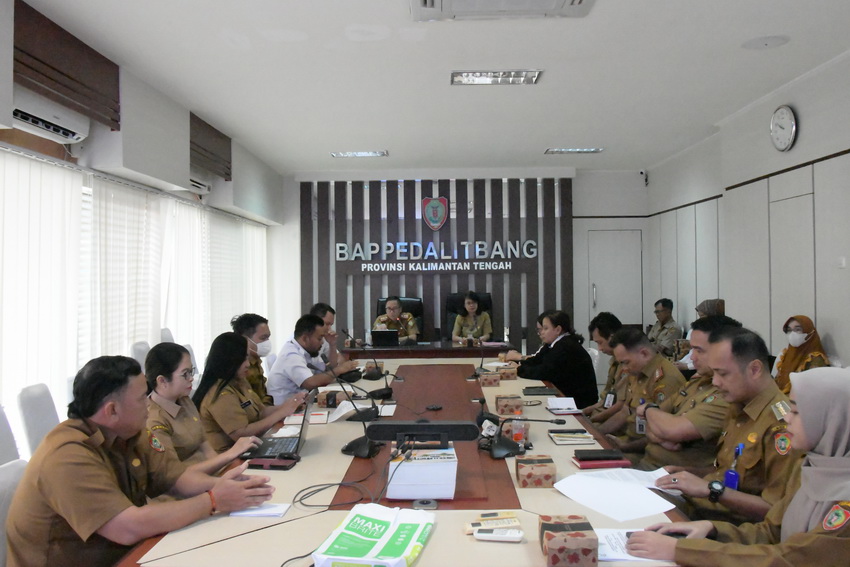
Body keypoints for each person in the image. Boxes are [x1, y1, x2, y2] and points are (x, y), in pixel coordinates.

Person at [5, 355, 274, 567]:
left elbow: (175, 477)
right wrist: (213, 500)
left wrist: (218, 485)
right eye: (140, 399)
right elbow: (127, 527)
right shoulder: (66, 456)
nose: (148, 404)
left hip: (126, 554)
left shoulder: (127, 433)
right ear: (112, 410)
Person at [626, 367, 850, 565]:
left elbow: (789, 559)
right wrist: (712, 530)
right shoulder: (812, 467)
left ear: (834, 420)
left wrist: (681, 550)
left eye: (797, 412)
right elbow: (771, 531)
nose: (787, 419)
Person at [653, 327, 802, 524]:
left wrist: (712, 490)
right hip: (700, 510)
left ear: (754, 369)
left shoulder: (782, 424)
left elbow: (776, 512)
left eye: (722, 374)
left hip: (730, 530)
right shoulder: (739, 406)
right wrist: (688, 473)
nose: (715, 382)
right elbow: (728, 470)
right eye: (714, 373)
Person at [633, 315, 738, 471]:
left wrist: (649, 411)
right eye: (691, 349)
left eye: (699, 351)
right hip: (649, 466)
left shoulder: (725, 395)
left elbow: (672, 429)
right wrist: (663, 436)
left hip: (674, 479)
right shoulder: (696, 382)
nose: (692, 358)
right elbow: (650, 423)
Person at [145, 342, 259, 472]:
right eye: (185, 374)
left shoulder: (185, 401)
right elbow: (175, 476)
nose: (191, 378)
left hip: (210, 475)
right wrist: (230, 454)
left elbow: (205, 446)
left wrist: (228, 471)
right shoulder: (154, 421)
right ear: (162, 381)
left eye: (191, 371)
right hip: (187, 488)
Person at [193, 332, 305, 453]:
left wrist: (290, 405)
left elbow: (261, 411)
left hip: (251, 446)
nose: (247, 364)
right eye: (242, 359)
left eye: (247, 357)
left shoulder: (239, 380)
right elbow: (241, 434)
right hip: (229, 458)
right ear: (228, 360)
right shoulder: (220, 393)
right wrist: (281, 413)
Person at [605, 328, 686, 457]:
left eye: (626, 362)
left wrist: (626, 447)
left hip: (645, 450)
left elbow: (663, 432)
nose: (624, 368)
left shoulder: (666, 379)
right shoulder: (637, 371)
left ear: (644, 353)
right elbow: (625, 411)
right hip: (628, 440)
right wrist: (596, 433)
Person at [504, 310, 598, 408]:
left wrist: (518, 369)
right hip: (562, 392)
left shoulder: (566, 346)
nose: (541, 333)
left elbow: (544, 371)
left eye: (545, 328)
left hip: (577, 401)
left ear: (558, 330)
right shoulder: (553, 344)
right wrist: (519, 364)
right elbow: (536, 360)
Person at [267, 314, 359, 405]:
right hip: (285, 412)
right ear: (305, 338)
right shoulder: (291, 355)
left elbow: (329, 368)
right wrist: (339, 370)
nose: (322, 342)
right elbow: (310, 383)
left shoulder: (307, 351)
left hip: (300, 404)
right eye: (319, 338)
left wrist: (332, 344)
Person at [582, 312, 627, 423]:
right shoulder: (614, 362)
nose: (600, 349)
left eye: (600, 342)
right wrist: (582, 412)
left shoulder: (628, 364)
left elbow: (620, 405)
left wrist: (591, 421)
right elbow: (606, 399)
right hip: (603, 415)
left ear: (612, 338)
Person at [773, 315, 830, 394]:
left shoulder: (815, 359)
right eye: (789, 330)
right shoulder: (786, 354)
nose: (793, 334)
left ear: (810, 331)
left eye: (798, 329)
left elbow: (812, 393)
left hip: (798, 403)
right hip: (781, 401)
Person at [231, 313, 274, 405]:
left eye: (268, 337)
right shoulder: (239, 368)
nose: (267, 342)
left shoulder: (256, 361)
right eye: (263, 338)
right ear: (245, 339)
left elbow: (263, 397)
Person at [675, 299, 726, 372]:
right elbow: (691, 353)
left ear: (713, 315)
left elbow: (707, 360)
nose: (700, 319)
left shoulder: (718, 333)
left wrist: (687, 366)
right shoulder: (697, 329)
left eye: (703, 316)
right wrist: (680, 362)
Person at [309, 302, 346, 368]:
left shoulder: (324, 338)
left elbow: (333, 365)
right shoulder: (300, 341)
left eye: (331, 325)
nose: (329, 328)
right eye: (327, 324)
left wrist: (332, 345)